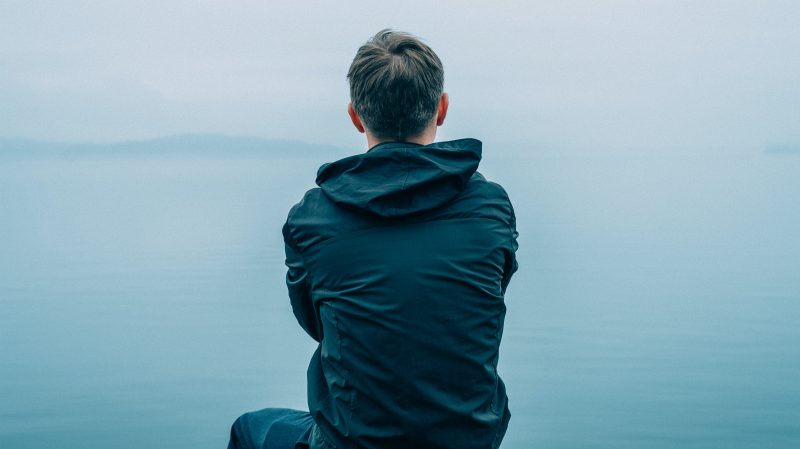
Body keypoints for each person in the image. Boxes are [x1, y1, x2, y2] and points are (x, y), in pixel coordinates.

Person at [228, 29, 519, 449]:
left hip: (354, 442)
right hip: (470, 439)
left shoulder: (313, 220)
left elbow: (317, 324)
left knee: (249, 429)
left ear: (355, 115)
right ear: (442, 108)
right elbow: (480, 299)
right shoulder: (490, 208)